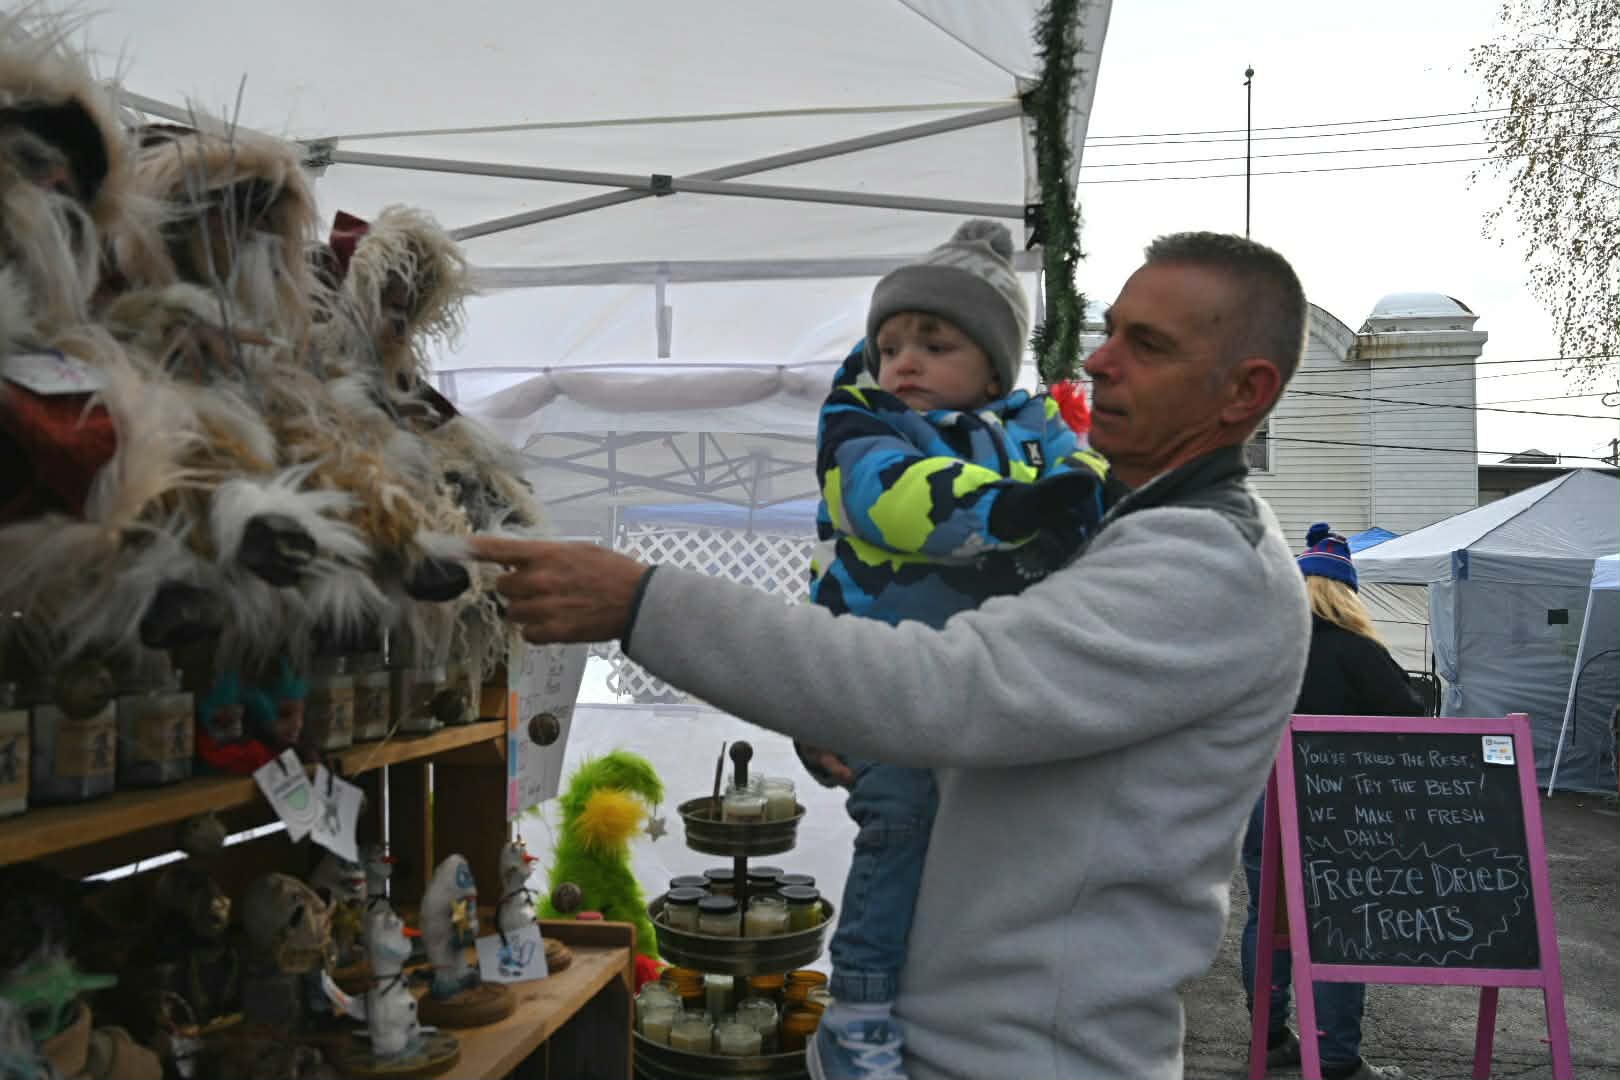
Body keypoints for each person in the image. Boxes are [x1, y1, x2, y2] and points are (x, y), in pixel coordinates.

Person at [473, 231, 1314, 1080]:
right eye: (1113, 329)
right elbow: (951, 691)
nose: (1100, 359)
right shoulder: (1109, 525)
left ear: (1245, 392)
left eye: (1149, 344)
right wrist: (835, 709)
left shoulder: (1206, 564)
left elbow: (945, 688)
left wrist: (642, 602)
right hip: (953, 1042)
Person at [800, 219, 1110, 1079]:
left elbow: (1085, 486)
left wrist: (1080, 494)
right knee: (898, 821)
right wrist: (1012, 512)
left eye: (935, 345)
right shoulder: (863, 425)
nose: (904, 362)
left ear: (992, 365)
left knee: (996, 849)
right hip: (883, 682)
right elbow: (889, 501)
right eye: (890, 343)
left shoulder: (1033, 426)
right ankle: (856, 1008)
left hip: (990, 691)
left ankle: (974, 1007)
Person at [1241, 523, 1424, 1080]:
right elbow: (1413, 720)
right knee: (1339, 920)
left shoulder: (1264, 649)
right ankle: (1337, 1058)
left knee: (1263, 916)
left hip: (1261, 799)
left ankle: (1268, 1040)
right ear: (1346, 592)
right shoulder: (1359, 649)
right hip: (1338, 805)